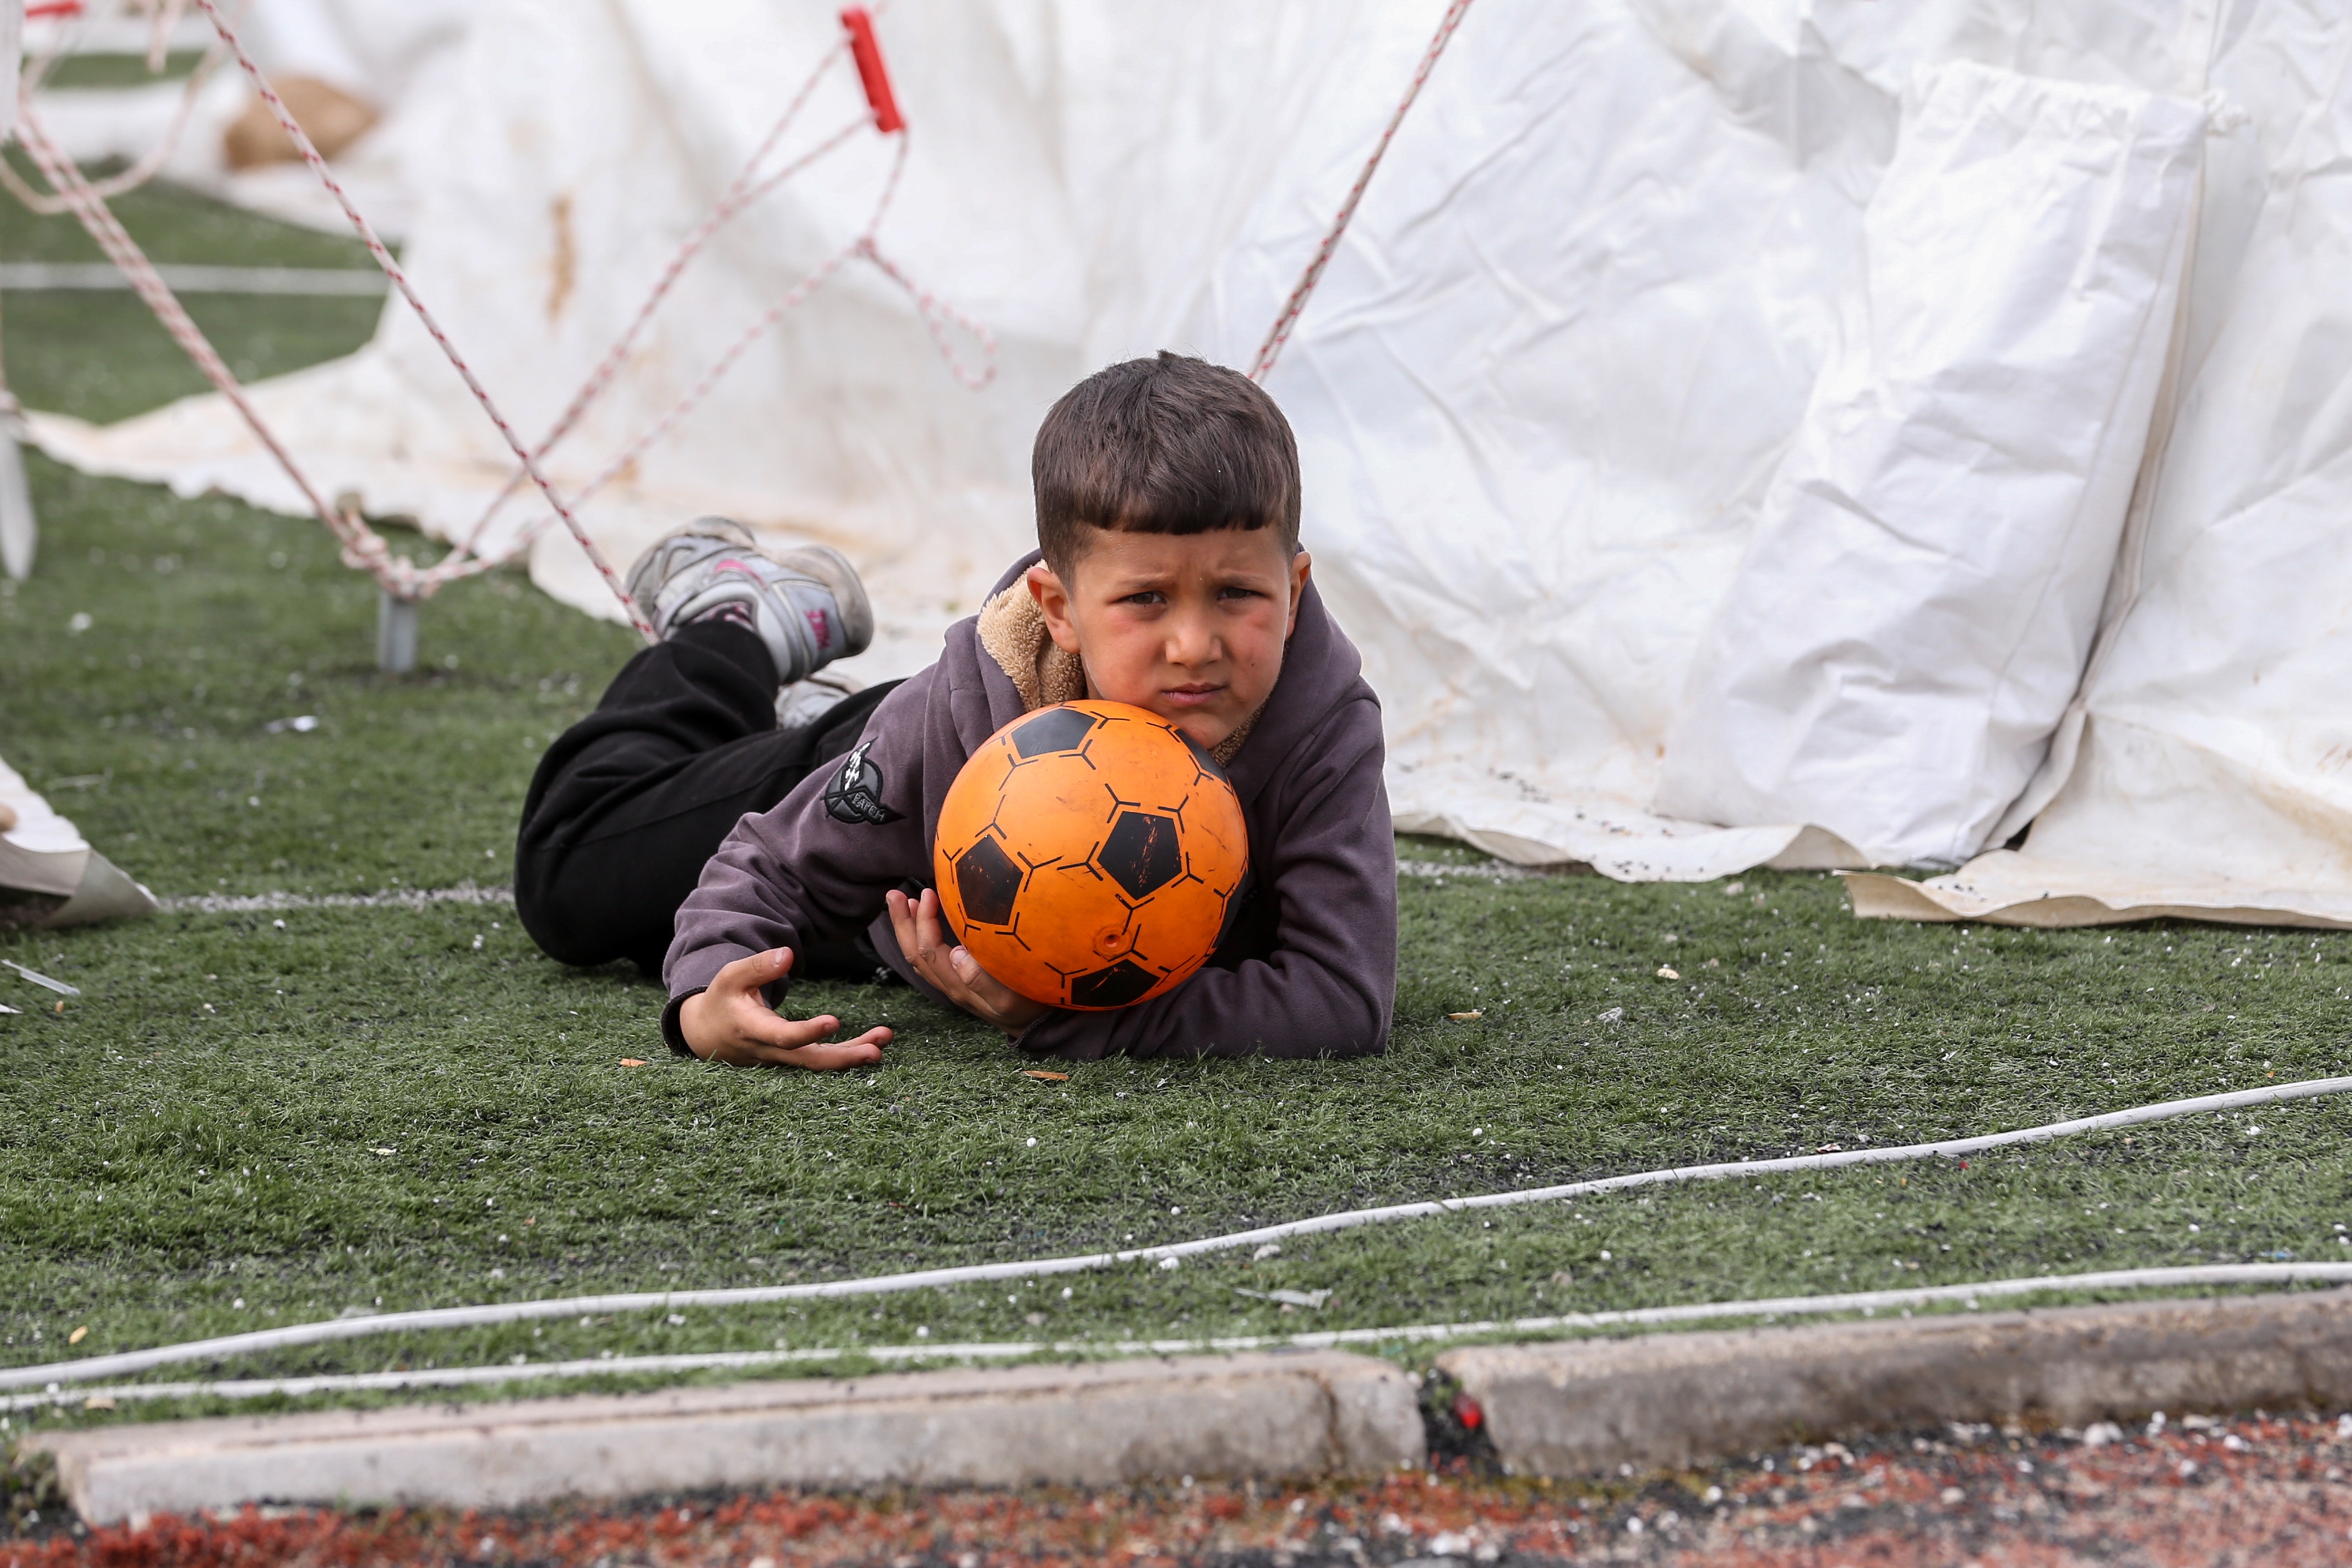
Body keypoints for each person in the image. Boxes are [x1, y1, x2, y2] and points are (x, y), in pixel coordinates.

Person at [515, 352, 1395, 1069]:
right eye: (1147, 600)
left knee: (848, 924)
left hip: (895, 922)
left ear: (1293, 589)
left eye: (1238, 593)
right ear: (1059, 610)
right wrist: (711, 994)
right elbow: (775, 865)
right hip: (880, 770)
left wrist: (1058, 1014)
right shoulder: (959, 713)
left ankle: (794, 711)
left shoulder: (1324, 732)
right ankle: (733, 624)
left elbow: (1343, 999)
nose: (1195, 645)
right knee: (570, 880)